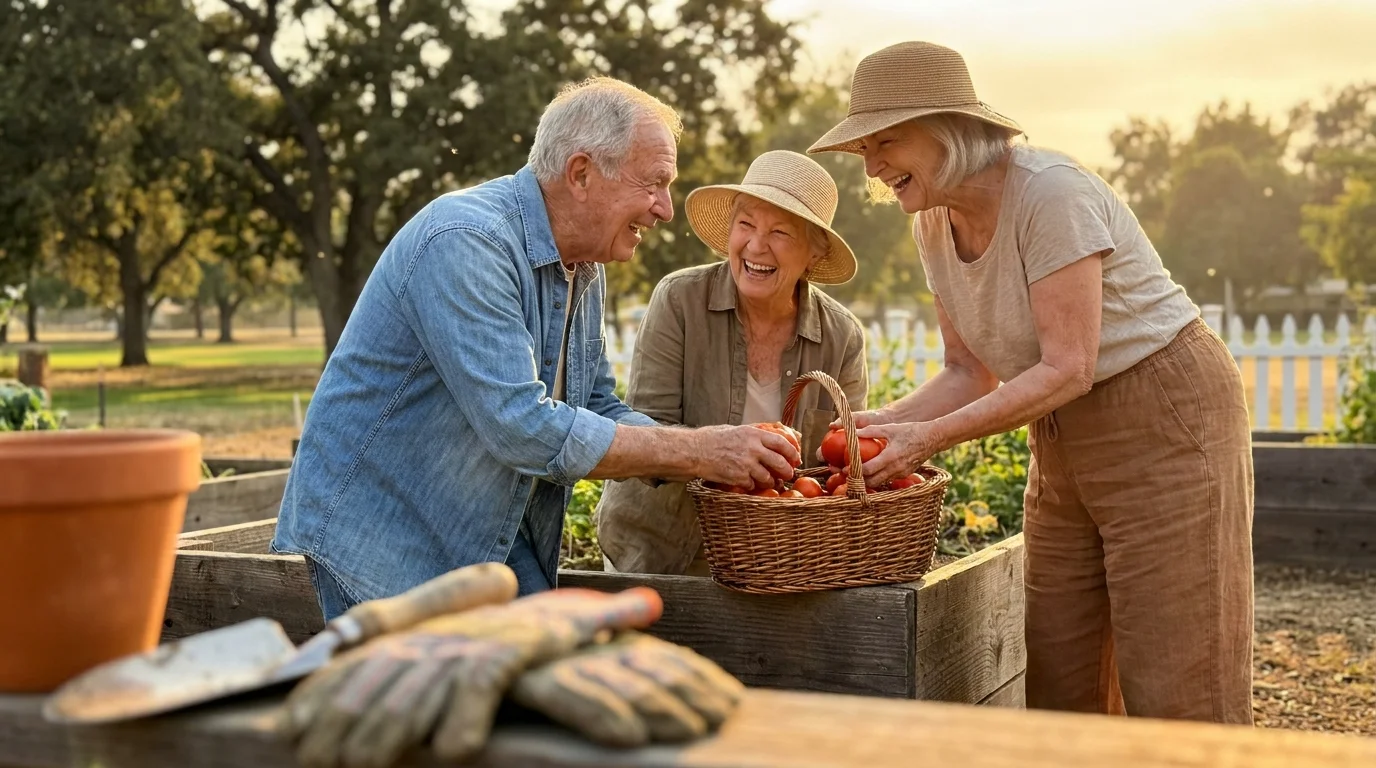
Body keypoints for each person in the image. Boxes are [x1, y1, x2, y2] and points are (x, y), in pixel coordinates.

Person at [807, 41, 1254, 725]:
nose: (871, 166)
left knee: (1178, 681)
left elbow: (1069, 363)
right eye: (864, 148)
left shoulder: (1050, 192)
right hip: (1061, 429)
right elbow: (967, 372)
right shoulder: (932, 223)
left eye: (886, 141)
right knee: (1059, 674)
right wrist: (879, 429)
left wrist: (928, 439)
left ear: (948, 129)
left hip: (1163, 410)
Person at [270, 77, 801, 619]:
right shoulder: (466, 241)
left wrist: (714, 456)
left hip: (486, 539)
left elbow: (597, 408)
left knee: (540, 688)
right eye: (654, 183)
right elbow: (520, 426)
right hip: (389, 542)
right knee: (424, 701)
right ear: (581, 174)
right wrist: (701, 451)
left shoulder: (584, 267)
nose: (665, 208)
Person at [594, 150, 869, 576]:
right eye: (746, 225)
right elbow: (645, 430)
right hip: (660, 553)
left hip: (776, 562)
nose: (756, 246)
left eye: (781, 232)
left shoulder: (841, 336)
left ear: (813, 254)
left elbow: (838, 468)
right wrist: (716, 452)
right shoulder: (680, 300)